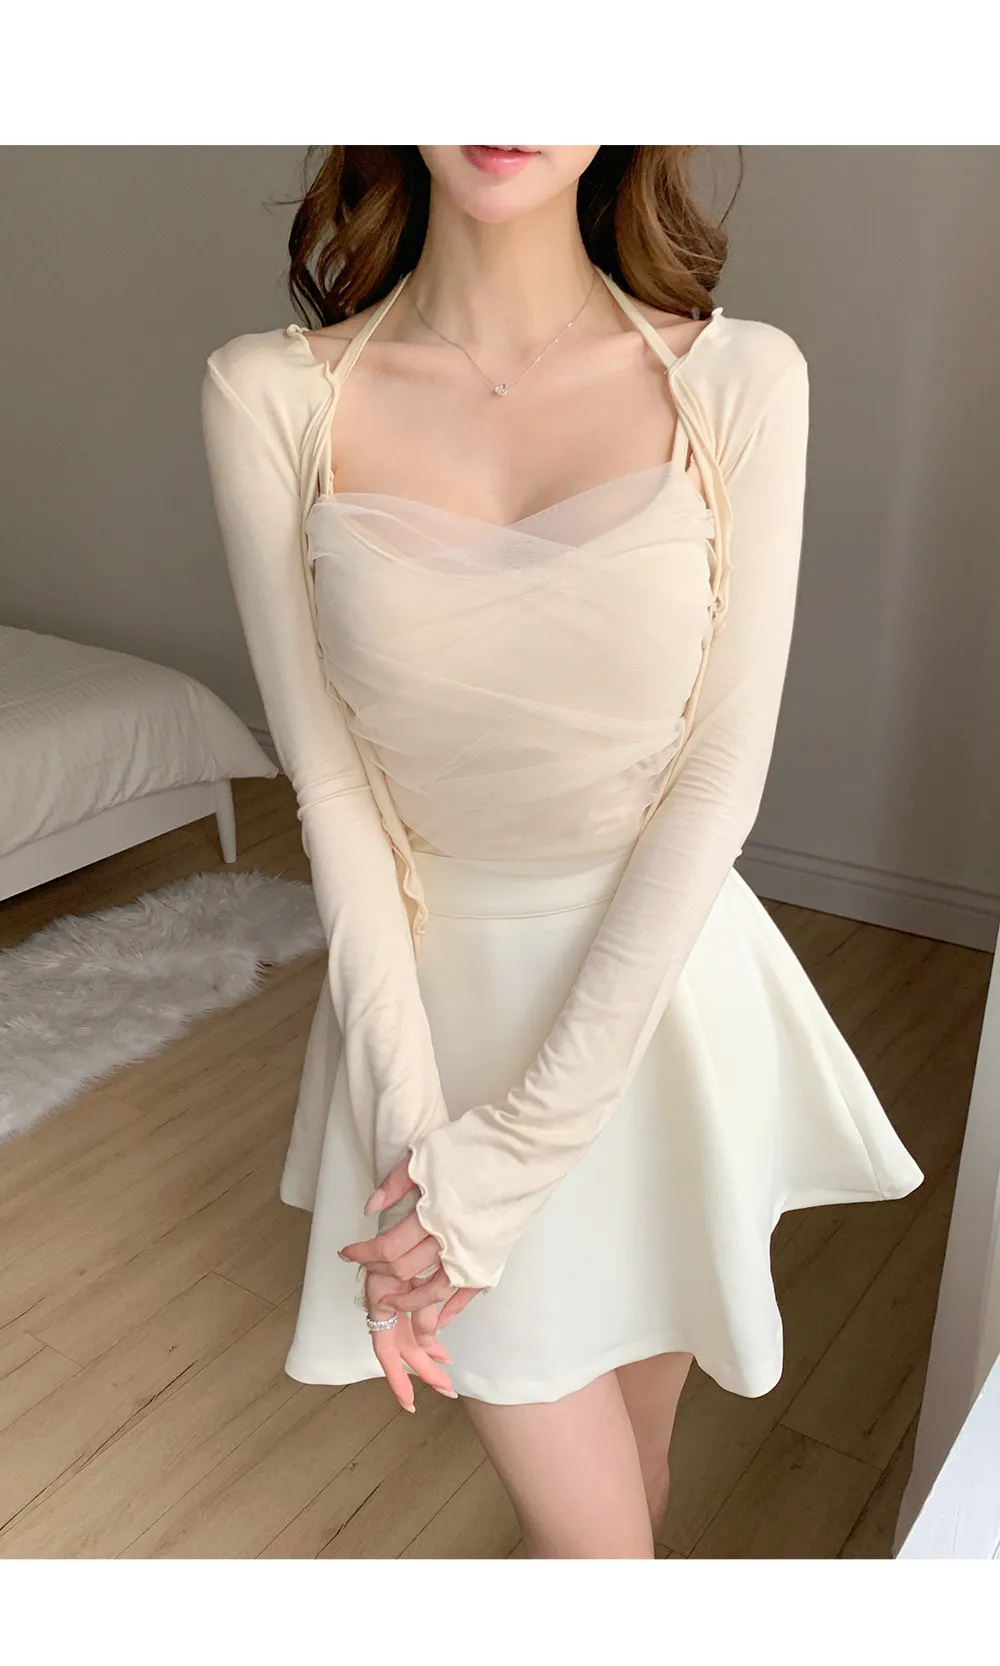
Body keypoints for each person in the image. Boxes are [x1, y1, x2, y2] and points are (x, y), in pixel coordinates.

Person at [200, 145, 924, 1559]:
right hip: (437, 1032)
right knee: (606, 1552)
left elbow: (716, 777)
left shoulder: (740, 379)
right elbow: (333, 791)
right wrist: (423, 1146)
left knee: (633, 1483)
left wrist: (520, 1155)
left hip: (666, 1008)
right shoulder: (270, 395)